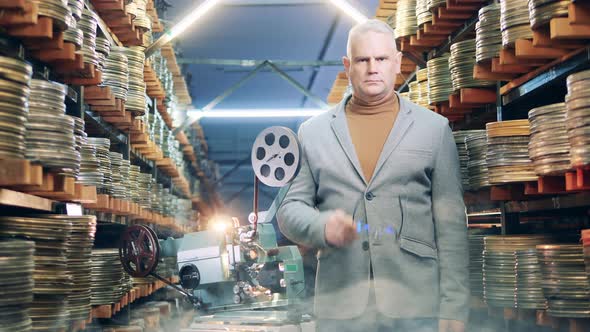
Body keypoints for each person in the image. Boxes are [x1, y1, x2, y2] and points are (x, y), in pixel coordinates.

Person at [277, 19, 469, 332]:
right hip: (340, 306)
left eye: (381, 59)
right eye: (362, 60)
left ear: (397, 63)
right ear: (346, 65)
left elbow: (451, 227)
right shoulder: (312, 133)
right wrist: (321, 226)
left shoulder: (433, 130)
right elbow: (289, 210)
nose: (372, 68)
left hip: (415, 304)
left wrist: (454, 308)